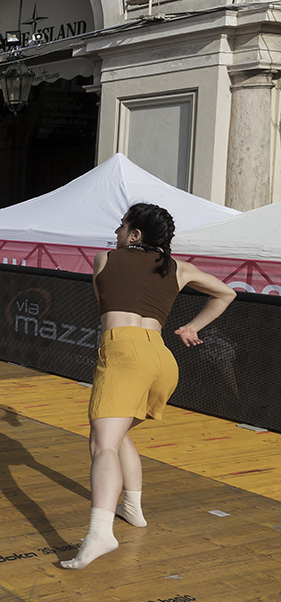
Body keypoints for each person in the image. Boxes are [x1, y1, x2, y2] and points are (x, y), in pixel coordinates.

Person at [61, 203, 235, 570]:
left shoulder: (104, 258)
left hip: (125, 352)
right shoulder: (181, 268)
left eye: (122, 227)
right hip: (161, 359)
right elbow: (226, 294)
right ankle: (134, 511)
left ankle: (100, 533)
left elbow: (103, 302)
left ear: (135, 235)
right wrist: (192, 328)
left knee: (102, 443)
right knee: (120, 434)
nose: (116, 233)